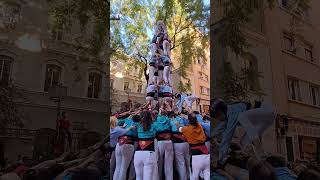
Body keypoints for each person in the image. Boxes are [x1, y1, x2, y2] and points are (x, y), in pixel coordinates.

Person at [176, 113, 210, 180]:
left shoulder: (187, 129)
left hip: (196, 157)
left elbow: (179, 128)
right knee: (207, 176)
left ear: (189, 121)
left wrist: (177, 123)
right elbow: (195, 122)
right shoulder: (199, 126)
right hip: (206, 155)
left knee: (194, 177)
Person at [113, 115, 139, 180]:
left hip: (119, 143)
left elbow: (116, 122)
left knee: (117, 167)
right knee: (124, 168)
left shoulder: (127, 120)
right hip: (129, 143)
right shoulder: (138, 124)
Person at [134, 111, 159, 180]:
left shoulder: (137, 125)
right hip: (149, 153)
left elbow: (131, 118)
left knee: (138, 177)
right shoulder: (154, 125)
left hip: (138, 154)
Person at [168, 111, 190, 180]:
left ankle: (183, 178)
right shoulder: (182, 119)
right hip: (186, 142)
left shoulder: (171, 121)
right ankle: (191, 176)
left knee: (180, 162)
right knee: (188, 160)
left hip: (177, 143)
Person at [154, 110, 173, 180]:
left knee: (158, 161)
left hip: (160, 142)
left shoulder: (155, 122)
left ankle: (158, 177)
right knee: (169, 162)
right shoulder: (169, 120)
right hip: (169, 142)